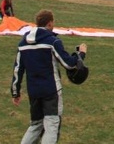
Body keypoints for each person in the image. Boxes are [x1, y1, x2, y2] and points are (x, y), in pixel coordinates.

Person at [11, 9, 87, 144]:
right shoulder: (52, 42)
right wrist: (81, 55)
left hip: (33, 91)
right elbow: (69, 64)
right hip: (51, 90)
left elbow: (18, 69)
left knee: (35, 125)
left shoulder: (22, 44)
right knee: (51, 125)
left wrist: (15, 92)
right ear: (50, 23)